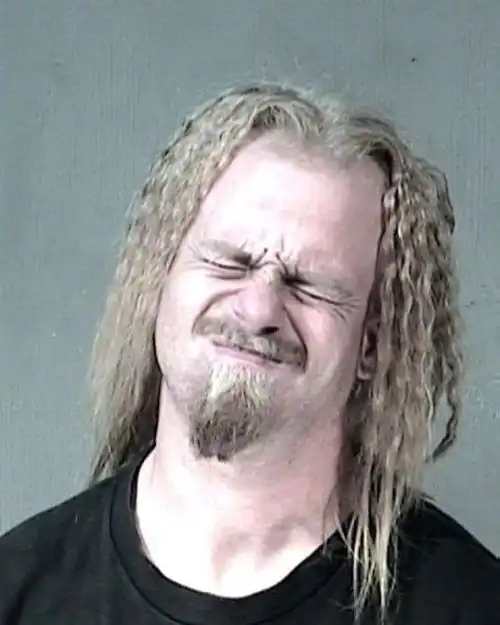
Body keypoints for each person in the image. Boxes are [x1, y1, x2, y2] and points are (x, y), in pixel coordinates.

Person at [1, 83, 498, 625]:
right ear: (159, 283)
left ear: (370, 345)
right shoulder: (19, 591)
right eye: (230, 261)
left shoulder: (470, 604)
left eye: (310, 285)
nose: (258, 308)